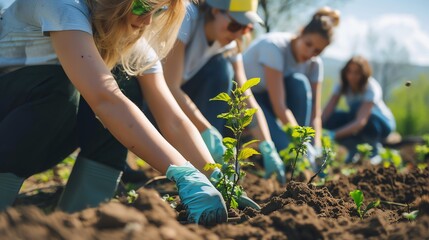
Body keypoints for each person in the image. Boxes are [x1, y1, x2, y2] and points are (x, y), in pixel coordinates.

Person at [0, 0, 229, 226]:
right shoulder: (62, 5)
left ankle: (78, 219)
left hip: (34, 131)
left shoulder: (125, 39)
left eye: (159, 11)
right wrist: (182, 173)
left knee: (127, 82)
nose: (148, 21)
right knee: (61, 88)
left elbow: (173, 119)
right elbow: (105, 99)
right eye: (142, 7)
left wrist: (213, 177)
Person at [161, 0, 286, 194]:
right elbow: (169, 86)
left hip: (184, 108)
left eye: (245, 28)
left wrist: (267, 146)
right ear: (215, 10)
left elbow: (246, 96)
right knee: (221, 70)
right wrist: (207, 132)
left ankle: (205, 163)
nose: (237, 34)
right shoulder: (186, 16)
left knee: (223, 69)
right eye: (235, 24)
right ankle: (196, 155)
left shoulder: (231, 43)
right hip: (152, 103)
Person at [242, 7, 340, 168]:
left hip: (270, 101)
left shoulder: (314, 65)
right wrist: (299, 142)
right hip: (247, 98)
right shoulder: (274, 47)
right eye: (308, 44)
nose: (310, 53)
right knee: (285, 148)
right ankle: (285, 151)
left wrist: (315, 147)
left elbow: (315, 114)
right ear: (301, 33)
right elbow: (279, 105)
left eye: (317, 51)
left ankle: (296, 155)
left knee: (299, 82)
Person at [322, 56, 396, 164]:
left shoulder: (371, 88)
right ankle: (354, 149)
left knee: (357, 107)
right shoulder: (342, 85)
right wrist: (317, 129)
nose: (352, 76)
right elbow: (327, 111)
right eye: (349, 71)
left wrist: (333, 134)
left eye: (357, 73)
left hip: (382, 124)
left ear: (364, 74)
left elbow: (360, 122)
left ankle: (374, 150)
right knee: (333, 119)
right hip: (358, 119)